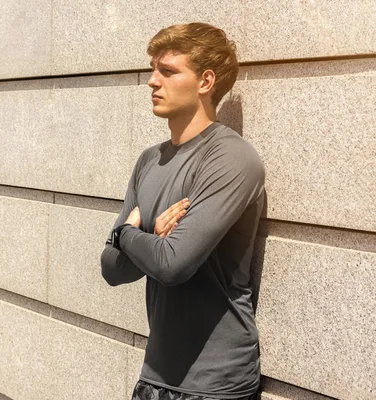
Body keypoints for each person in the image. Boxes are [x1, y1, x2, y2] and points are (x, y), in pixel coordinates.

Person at [100, 22, 265, 400]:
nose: (152, 81)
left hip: (215, 386)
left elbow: (172, 265)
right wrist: (150, 241)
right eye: (153, 69)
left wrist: (127, 235)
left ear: (206, 81)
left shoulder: (231, 158)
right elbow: (111, 268)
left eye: (168, 71)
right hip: (154, 377)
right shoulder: (149, 161)